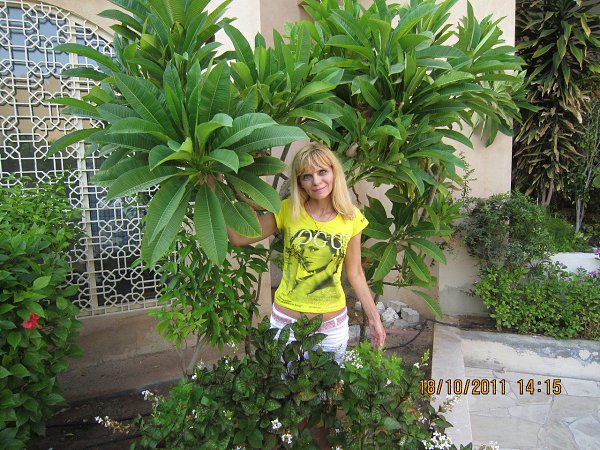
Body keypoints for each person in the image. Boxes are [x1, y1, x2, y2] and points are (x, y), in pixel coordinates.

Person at [227, 143, 386, 362]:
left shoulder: (351, 217)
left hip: (331, 330)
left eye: (322, 172)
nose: (316, 181)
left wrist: (375, 319)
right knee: (284, 383)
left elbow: (356, 273)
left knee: (329, 385)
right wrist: (218, 193)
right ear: (299, 182)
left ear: (334, 172)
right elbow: (239, 238)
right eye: (307, 176)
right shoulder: (288, 209)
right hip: (287, 326)